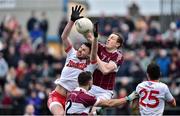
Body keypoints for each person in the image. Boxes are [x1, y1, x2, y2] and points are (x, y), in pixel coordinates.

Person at [47, 5, 97, 115]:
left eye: (84, 50)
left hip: (73, 100)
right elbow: (64, 37)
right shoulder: (72, 53)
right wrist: (72, 20)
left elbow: (95, 51)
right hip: (57, 96)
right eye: (80, 48)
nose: (80, 50)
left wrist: (95, 38)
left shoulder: (90, 64)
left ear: (88, 55)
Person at [65, 71, 138, 115]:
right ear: (90, 82)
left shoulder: (71, 94)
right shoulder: (86, 96)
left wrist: (95, 113)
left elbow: (79, 112)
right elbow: (109, 103)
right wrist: (128, 98)